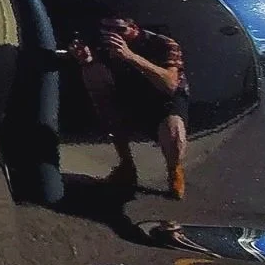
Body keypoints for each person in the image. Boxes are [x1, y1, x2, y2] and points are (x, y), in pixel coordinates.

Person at [70, 16, 189, 199]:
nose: (113, 35)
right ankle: (126, 165)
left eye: (120, 30)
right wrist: (87, 61)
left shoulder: (162, 44)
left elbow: (170, 85)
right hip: (130, 92)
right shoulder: (100, 44)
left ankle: (174, 170)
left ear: (134, 28)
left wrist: (130, 56)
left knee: (174, 130)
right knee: (102, 94)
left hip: (162, 97)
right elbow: (98, 85)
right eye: (107, 30)